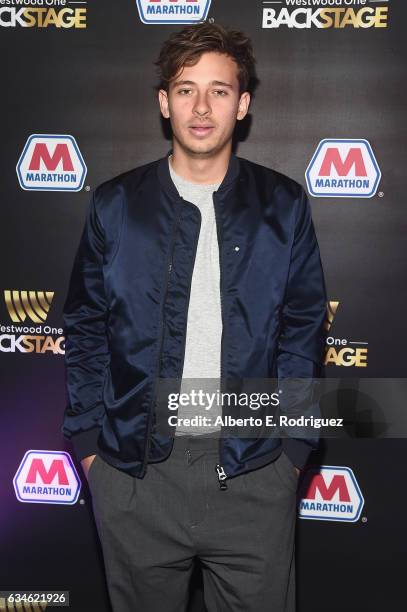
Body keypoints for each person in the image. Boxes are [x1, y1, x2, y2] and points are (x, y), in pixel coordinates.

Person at [61, 22, 327, 612]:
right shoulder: (116, 204)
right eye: (185, 90)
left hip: (254, 471)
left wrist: (292, 454)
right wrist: (89, 446)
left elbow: (304, 331)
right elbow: (84, 326)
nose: (201, 107)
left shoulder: (282, 205)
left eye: (219, 90)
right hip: (133, 474)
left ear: (244, 103)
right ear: (164, 102)